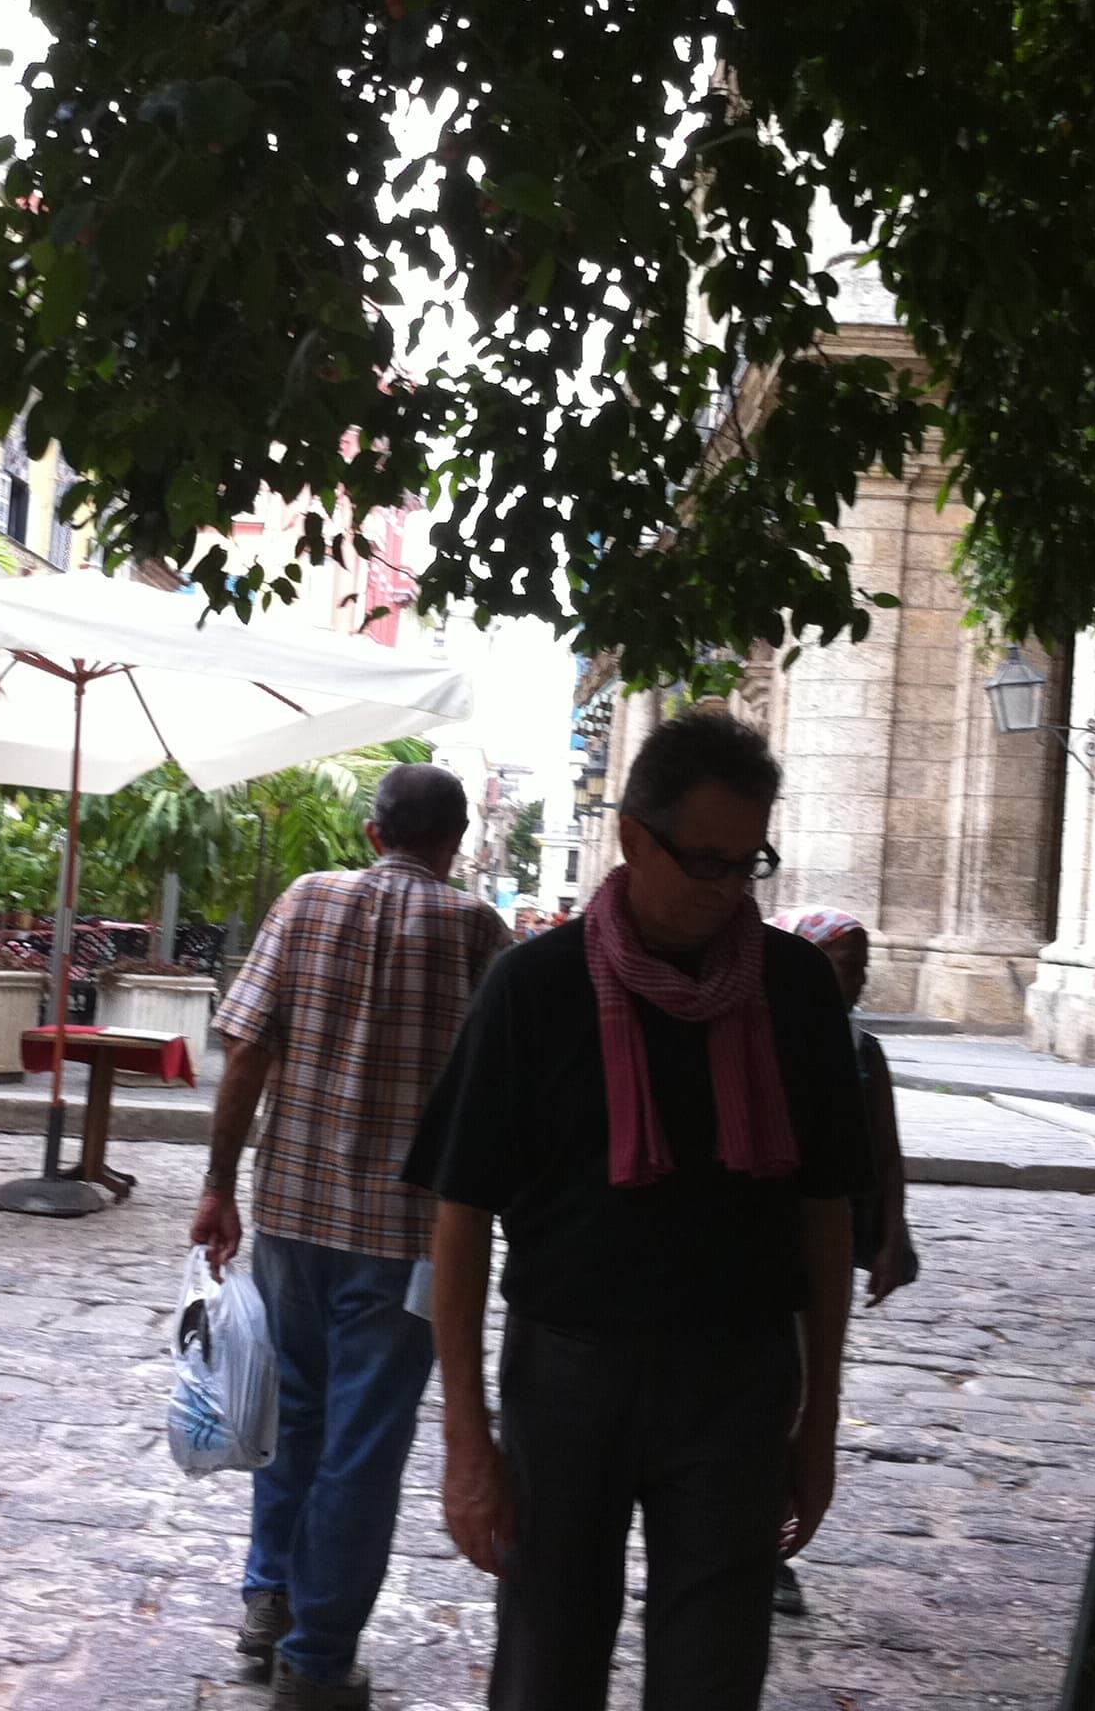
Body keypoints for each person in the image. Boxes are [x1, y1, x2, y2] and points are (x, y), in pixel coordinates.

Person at [406, 709, 875, 1711]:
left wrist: (819, 1418)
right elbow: (460, 1214)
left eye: (747, 864)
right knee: (547, 1659)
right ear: (632, 835)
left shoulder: (795, 991)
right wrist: (466, 1439)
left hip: (740, 1379)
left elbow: (827, 1212)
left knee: (714, 1668)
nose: (723, 891)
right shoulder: (534, 987)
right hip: (568, 1372)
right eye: (702, 861)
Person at [191, 761, 512, 1711]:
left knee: (288, 1418)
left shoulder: (304, 900)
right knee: (363, 1446)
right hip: (411, 1241)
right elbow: (501, 1100)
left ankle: (269, 1606)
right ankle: (318, 1659)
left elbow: (246, 1045)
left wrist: (218, 1185)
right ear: (456, 843)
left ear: (374, 832)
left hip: (291, 1213)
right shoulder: (476, 931)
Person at [763, 904, 919, 1617]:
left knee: (799, 1393)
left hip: (823, 1245)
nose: (856, 980)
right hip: (771, 1247)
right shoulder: (765, 1036)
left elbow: (884, 1150)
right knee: (776, 1395)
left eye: (862, 967)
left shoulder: (862, 1051)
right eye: (843, 963)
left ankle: (768, 1545)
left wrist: (894, 1233)